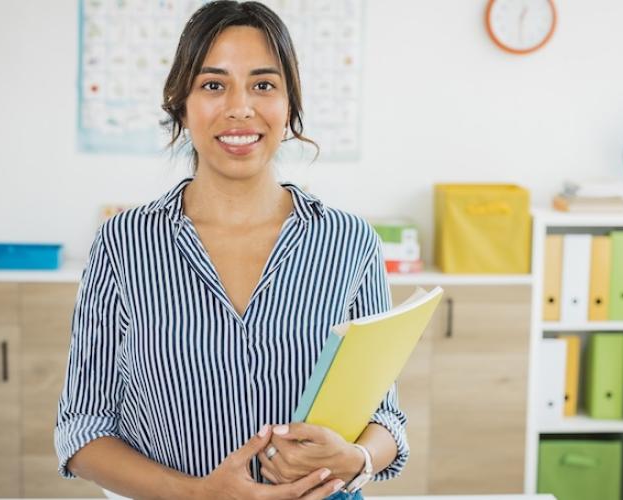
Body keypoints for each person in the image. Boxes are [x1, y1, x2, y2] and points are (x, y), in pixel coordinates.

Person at [54, 2, 408, 499]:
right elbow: (82, 429)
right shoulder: (123, 244)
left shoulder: (351, 243)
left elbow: (384, 416)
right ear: (181, 102)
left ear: (289, 106)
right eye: (213, 85)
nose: (240, 107)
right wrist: (199, 493)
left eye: (263, 85)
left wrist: (359, 459)